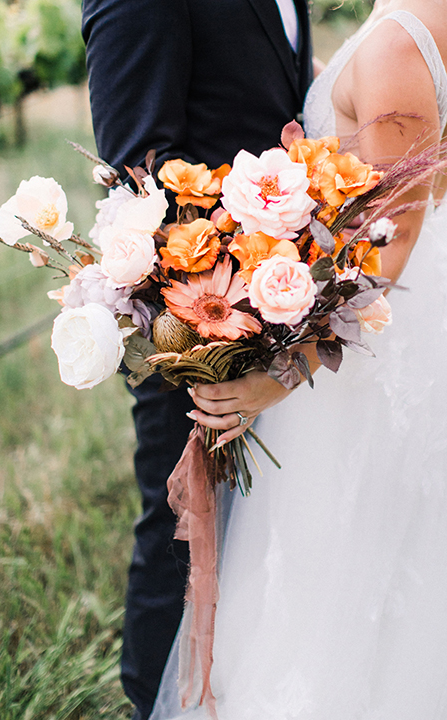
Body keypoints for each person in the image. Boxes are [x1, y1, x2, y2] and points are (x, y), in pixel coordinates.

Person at [150, 0, 447, 718]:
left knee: (335, 587)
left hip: (367, 362)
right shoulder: (400, 25)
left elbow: (390, 241)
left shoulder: (399, 43)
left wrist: (282, 375)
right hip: (375, 337)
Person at [80, 3, 313, 719]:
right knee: (182, 536)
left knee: (255, 545)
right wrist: (217, 331)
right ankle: (154, 703)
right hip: (196, 329)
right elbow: (138, 174)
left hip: (281, 314)